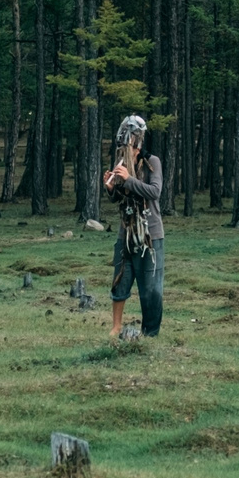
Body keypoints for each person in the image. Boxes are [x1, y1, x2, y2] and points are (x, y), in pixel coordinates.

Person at [104, 114, 164, 339]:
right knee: (121, 278)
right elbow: (120, 198)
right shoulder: (121, 163)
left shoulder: (152, 162)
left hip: (150, 234)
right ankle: (116, 327)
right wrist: (111, 188)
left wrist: (129, 179)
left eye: (128, 144)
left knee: (150, 287)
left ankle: (150, 334)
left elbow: (154, 192)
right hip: (126, 232)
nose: (125, 149)